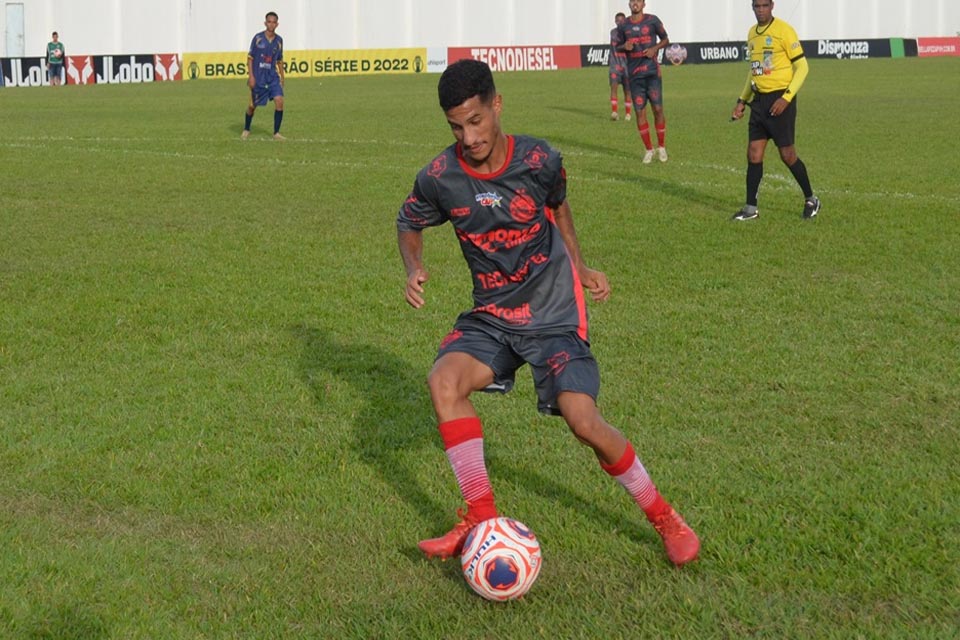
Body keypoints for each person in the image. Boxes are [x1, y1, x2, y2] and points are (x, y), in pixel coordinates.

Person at [396, 59, 700, 568]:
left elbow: (559, 210)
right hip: (492, 313)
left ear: (497, 105)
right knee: (443, 383)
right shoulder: (439, 176)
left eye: (475, 121)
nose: (467, 136)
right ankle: (480, 514)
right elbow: (408, 221)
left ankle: (664, 515)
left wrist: (579, 266)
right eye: (456, 126)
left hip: (553, 310)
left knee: (583, 420)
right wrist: (414, 266)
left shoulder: (539, 159)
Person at [730, 0, 821, 220]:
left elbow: (802, 67)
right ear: (752, 8)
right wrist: (742, 100)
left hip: (781, 100)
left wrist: (786, 98)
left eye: (764, 5)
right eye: (756, 6)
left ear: (772, 6)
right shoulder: (752, 34)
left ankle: (811, 198)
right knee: (754, 154)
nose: (760, 10)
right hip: (759, 102)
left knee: (787, 155)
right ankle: (751, 209)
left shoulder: (784, 31)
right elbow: (755, 71)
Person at [615, 0, 670, 163]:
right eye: (632, 1)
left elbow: (666, 39)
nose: (635, 4)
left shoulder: (652, 20)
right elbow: (617, 46)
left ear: (644, 4)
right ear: (629, 4)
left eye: (638, 1)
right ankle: (648, 149)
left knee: (658, 109)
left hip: (652, 73)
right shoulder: (623, 25)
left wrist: (654, 48)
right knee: (639, 111)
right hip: (634, 76)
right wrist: (624, 46)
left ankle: (661, 147)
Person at [242, 11, 285, 141]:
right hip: (258, 77)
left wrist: (282, 77)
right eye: (269, 22)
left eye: (274, 22)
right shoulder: (258, 38)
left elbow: (279, 60)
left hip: (272, 77)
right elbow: (250, 58)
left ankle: (276, 132)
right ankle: (246, 128)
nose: (271, 24)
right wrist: (251, 77)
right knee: (252, 106)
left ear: (277, 24)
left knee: (279, 101)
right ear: (265, 23)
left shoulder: (279, 41)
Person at [608, 13, 632, 122]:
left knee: (627, 91)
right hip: (615, 65)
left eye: (621, 21)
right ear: (615, 21)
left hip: (626, 66)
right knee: (614, 87)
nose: (619, 23)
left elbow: (630, 47)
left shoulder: (629, 33)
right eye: (617, 21)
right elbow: (619, 46)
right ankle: (614, 112)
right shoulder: (613, 32)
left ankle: (628, 114)